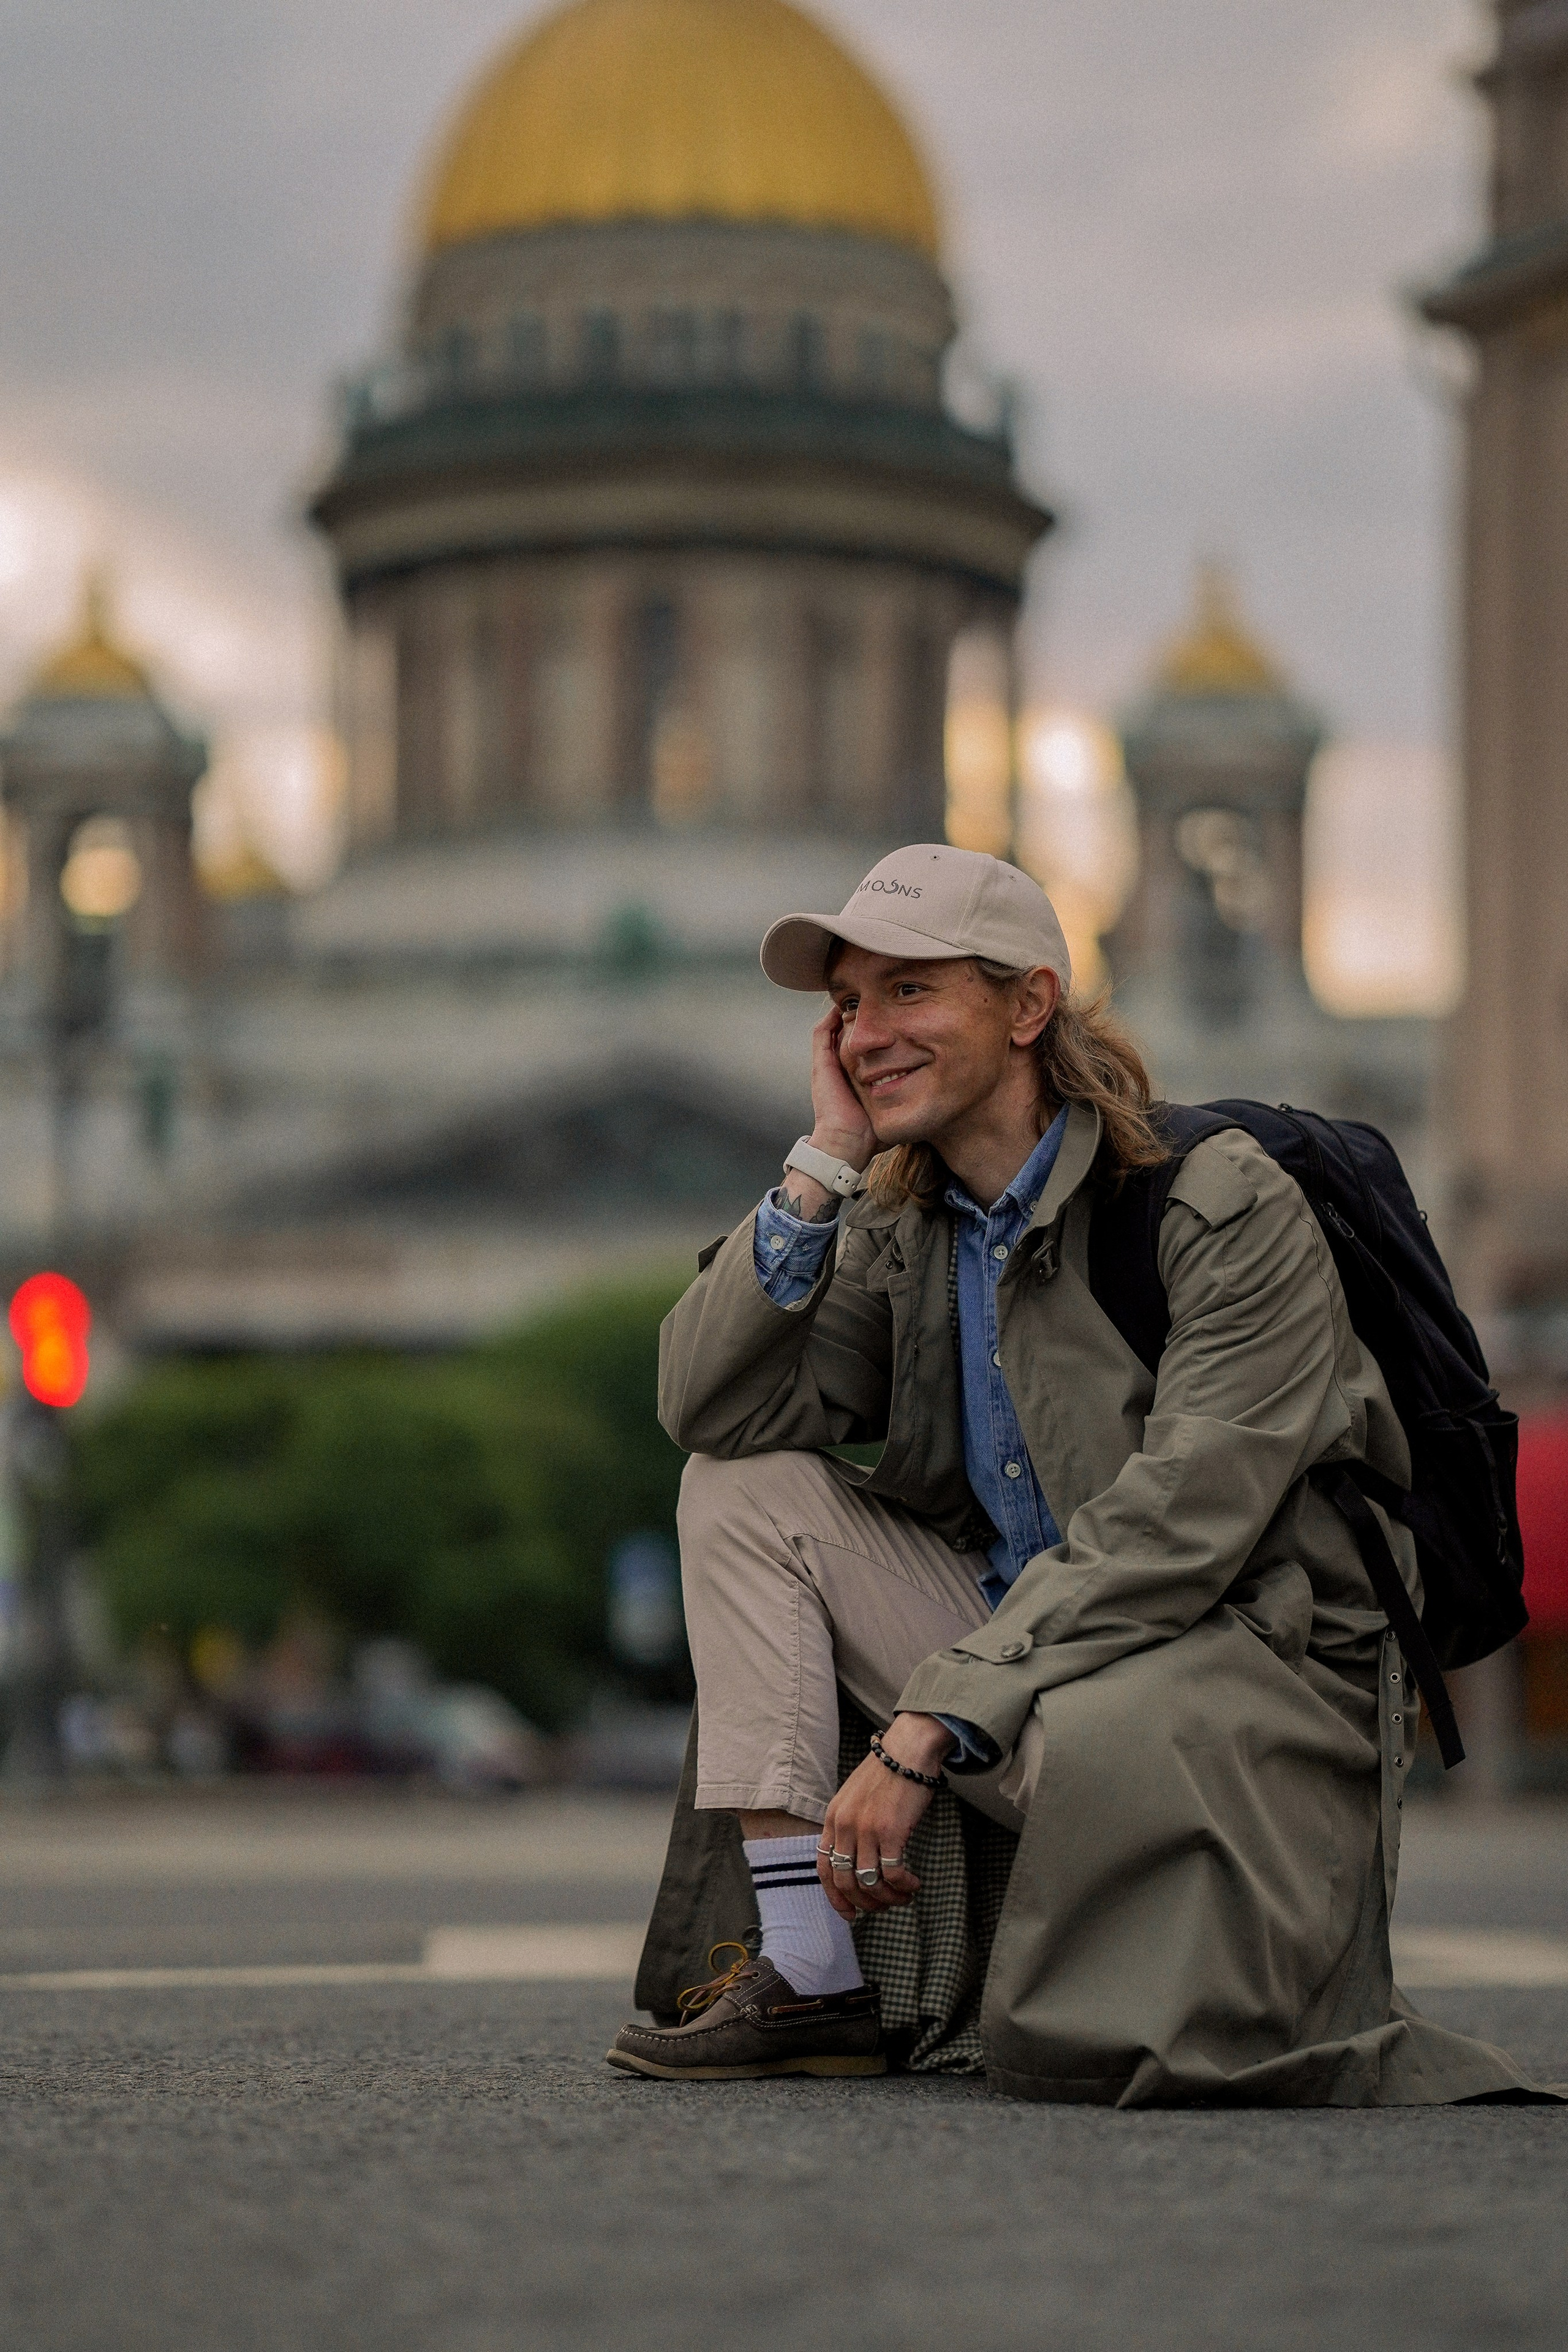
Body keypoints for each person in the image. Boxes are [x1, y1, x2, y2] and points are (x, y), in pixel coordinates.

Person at [608, 845, 1539, 2103]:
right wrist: (820, 1164)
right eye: (846, 1005)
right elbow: (706, 1407)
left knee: (1098, 2046)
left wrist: (928, 1722)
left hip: (1213, 1673)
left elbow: (1180, 1526)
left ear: (1028, 1007)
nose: (864, 1032)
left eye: (907, 993)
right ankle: (809, 1972)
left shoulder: (1217, 1205)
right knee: (741, 1487)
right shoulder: (900, 1223)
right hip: (1022, 1668)